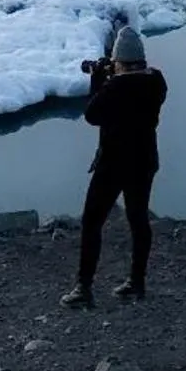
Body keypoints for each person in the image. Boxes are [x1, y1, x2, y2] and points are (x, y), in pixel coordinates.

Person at [60, 24, 167, 308]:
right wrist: (113, 75)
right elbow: (139, 81)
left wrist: (98, 80)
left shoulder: (115, 88)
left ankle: (84, 288)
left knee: (92, 223)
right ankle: (137, 282)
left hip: (113, 165)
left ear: (119, 61)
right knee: (138, 220)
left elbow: (92, 115)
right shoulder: (157, 82)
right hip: (144, 162)